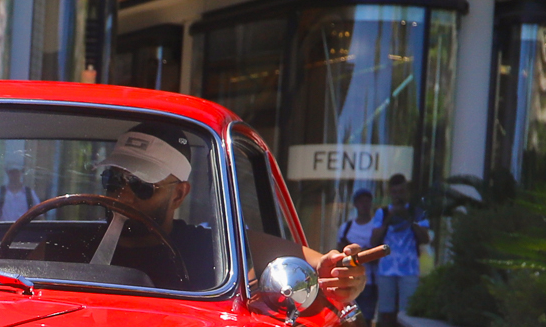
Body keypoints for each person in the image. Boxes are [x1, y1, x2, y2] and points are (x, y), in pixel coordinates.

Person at [91, 128, 369, 305]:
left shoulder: (211, 250)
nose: (122, 197)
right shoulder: (60, 245)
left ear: (178, 195)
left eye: (142, 185)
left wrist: (341, 275)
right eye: (113, 180)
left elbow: (321, 267)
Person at [374, 172, 432, 327]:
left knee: (408, 318)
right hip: (386, 270)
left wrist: (409, 219)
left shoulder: (417, 211)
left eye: (401, 191)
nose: (398, 195)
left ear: (406, 192)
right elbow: (374, 239)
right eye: (394, 192)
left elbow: (425, 238)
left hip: (409, 270)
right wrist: (389, 218)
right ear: (390, 193)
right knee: (386, 315)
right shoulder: (382, 213)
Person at [333, 185, 384, 327]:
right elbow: (339, 252)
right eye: (361, 201)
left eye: (367, 201)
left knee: (366, 320)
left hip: (370, 281)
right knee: (347, 319)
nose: (364, 205)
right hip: (349, 280)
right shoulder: (347, 227)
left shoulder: (376, 226)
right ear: (355, 204)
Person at [0, 157, 40, 222]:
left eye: (17, 172)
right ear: (7, 173)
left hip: (24, 230)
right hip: (4, 231)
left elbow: (40, 215)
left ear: (21, 172)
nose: (14, 175)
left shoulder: (30, 194)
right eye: (12, 172)